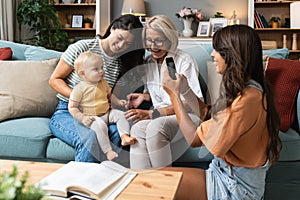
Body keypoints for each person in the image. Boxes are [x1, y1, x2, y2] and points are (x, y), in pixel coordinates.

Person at [162, 24, 282, 200]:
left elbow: (194, 139)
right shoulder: (249, 90)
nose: (212, 55)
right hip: (225, 174)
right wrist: (185, 89)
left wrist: (174, 96)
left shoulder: (247, 100)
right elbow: (207, 115)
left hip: (236, 188)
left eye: (217, 50)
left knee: (159, 181)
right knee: (157, 179)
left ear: (232, 55)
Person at [49, 14, 144, 163]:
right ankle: (83, 183)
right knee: (89, 136)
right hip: (67, 112)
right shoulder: (83, 47)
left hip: (99, 113)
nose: (120, 45)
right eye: (119, 38)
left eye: (127, 44)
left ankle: (106, 178)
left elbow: (109, 97)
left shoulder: (121, 64)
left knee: (116, 133)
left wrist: (123, 103)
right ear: (112, 28)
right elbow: (54, 80)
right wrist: (78, 98)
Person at [125, 15, 203, 169]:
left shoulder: (184, 61)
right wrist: (144, 96)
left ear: (170, 39)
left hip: (187, 116)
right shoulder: (149, 62)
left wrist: (153, 114)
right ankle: (142, 184)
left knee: (156, 128)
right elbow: (160, 92)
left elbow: (193, 102)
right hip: (162, 115)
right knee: (137, 129)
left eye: (158, 40)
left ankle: (165, 185)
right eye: (149, 40)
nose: (153, 46)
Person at [69, 52, 137, 161]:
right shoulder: (79, 89)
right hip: (92, 118)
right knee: (100, 126)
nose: (101, 71)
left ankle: (124, 136)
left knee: (120, 115)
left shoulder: (103, 83)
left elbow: (110, 95)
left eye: (101, 68)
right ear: (83, 74)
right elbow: (72, 107)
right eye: (96, 69)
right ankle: (108, 151)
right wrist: (82, 118)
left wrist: (119, 102)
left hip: (106, 113)